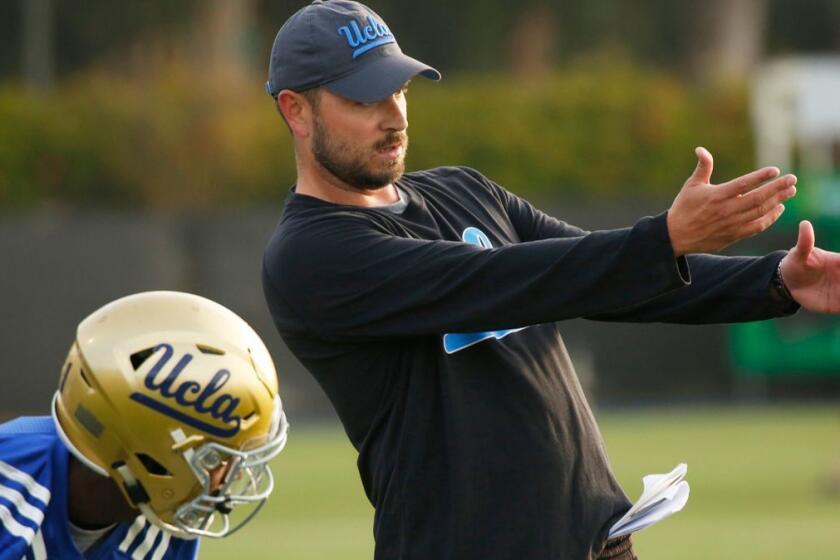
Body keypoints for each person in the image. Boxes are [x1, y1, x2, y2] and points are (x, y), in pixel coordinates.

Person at [261, 2, 838, 558]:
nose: (395, 115)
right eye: (366, 97)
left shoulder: (465, 190)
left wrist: (779, 279)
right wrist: (663, 239)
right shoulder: (311, 255)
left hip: (600, 542)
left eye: (400, 89)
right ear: (297, 110)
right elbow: (505, 279)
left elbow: (597, 272)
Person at [0, 291, 289, 559]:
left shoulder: (163, 527)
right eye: (218, 457)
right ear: (157, 460)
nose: (228, 477)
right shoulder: (9, 486)